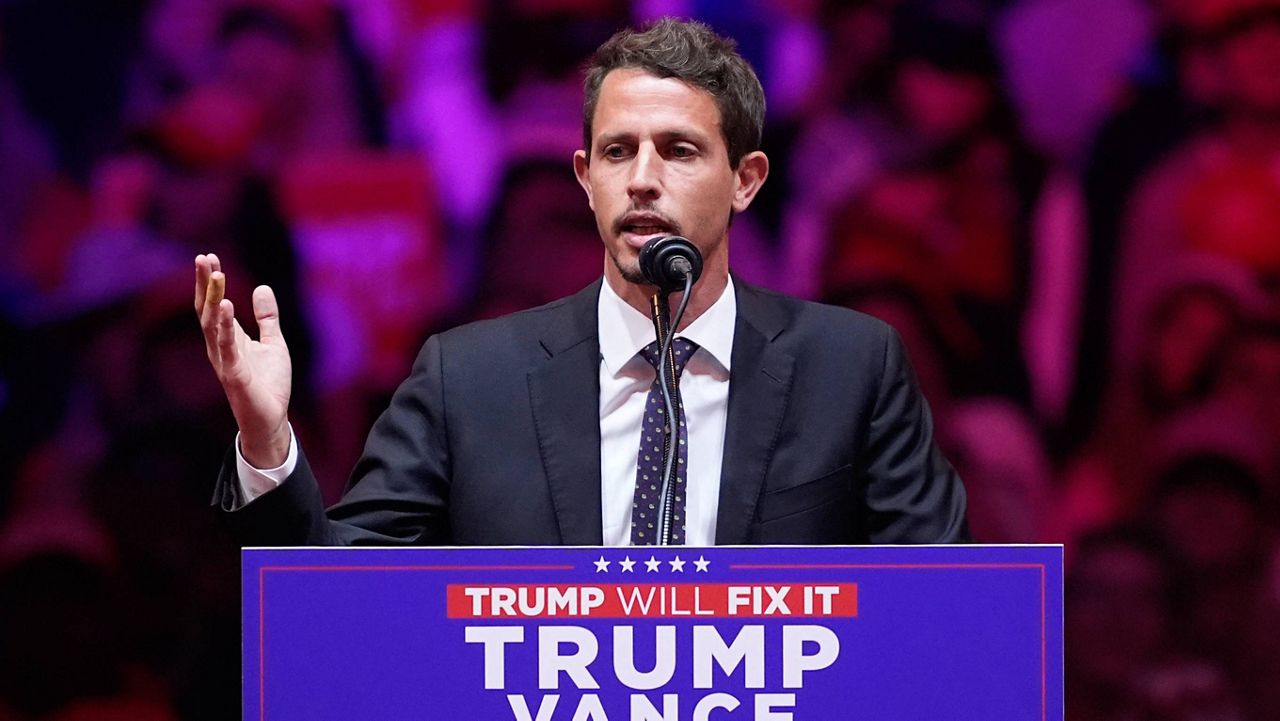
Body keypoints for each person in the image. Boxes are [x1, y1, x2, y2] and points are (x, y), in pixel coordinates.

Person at [194, 18, 968, 547]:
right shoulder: (467, 380)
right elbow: (339, 609)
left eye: (680, 151)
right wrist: (268, 441)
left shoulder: (852, 368)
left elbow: (944, 619)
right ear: (585, 178)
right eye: (617, 153)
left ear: (747, 180)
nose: (643, 182)